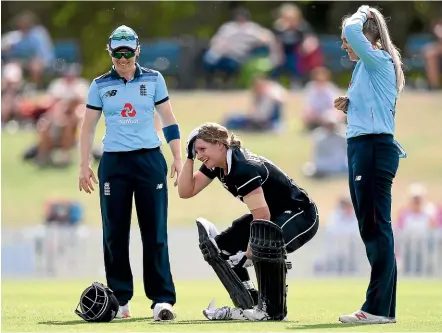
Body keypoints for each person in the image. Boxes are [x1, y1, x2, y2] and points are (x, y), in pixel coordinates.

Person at [78, 25, 182, 322]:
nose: (122, 59)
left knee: (155, 232)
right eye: (117, 53)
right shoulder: (99, 85)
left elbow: (169, 119)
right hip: (114, 164)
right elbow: (88, 127)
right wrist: (84, 165)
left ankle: (161, 299)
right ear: (109, 52)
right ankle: (120, 299)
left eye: (128, 53)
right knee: (114, 233)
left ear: (137, 50)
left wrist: (177, 155)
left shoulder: (154, 79)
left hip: (149, 160)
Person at [177, 122, 319, 321]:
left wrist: (248, 254)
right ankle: (251, 302)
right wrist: (189, 158)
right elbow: (186, 191)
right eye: (196, 151)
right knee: (222, 249)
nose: (200, 154)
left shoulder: (242, 168)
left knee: (265, 246)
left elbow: (262, 216)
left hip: (300, 214)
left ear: (220, 144)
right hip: (271, 214)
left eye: (202, 149)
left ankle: (273, 311)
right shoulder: (216, 164)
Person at [334, 5, 406, 324]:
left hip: (373, 149)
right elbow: (373, 107)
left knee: (376, 227)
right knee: (372, 227)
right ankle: (383, 309)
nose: (344, 44)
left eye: (347, 41)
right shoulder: (365, 67)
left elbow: (352, 30)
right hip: (364, 147)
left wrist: (363, 11)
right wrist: (350, 105)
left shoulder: (377, 59)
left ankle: (376, 308)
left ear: (366, 37)